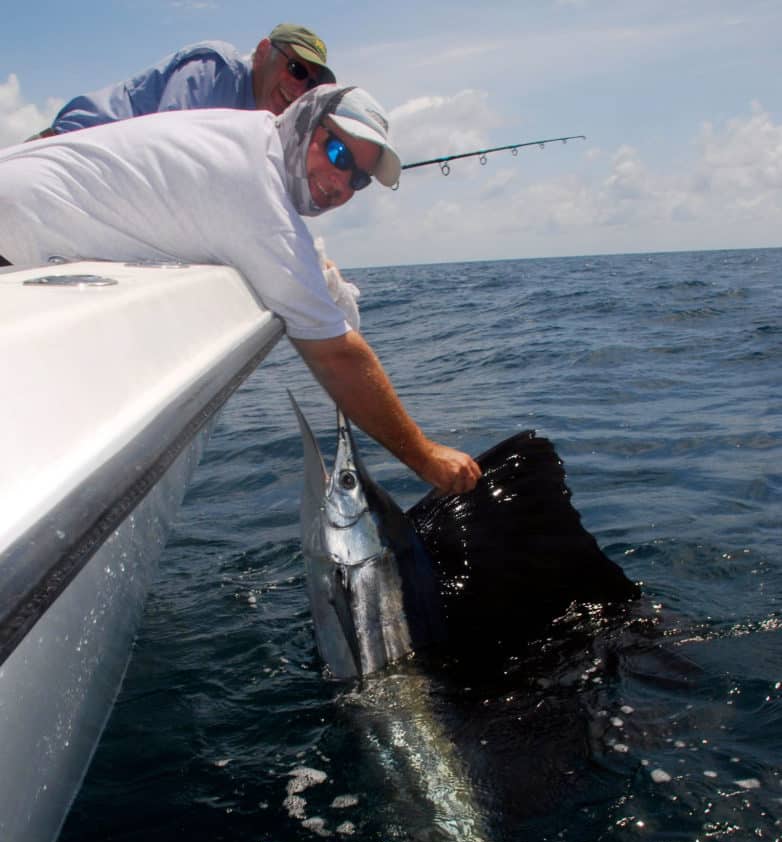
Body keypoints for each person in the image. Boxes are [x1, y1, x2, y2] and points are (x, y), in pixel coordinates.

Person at [0, 86, 481, 495]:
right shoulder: (259, 201)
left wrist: (313, 266)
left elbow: (239, 214)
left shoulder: (247, 139)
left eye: (357, 178)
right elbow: (337, 357)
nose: (339, 183)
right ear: (306, 121)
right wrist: (425, 457)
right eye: (336, 153)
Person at [29, 23, 335, 139]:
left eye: (310, 83)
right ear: (262, 52)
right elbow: (168, 148)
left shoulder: (263, 127)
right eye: (296, 68)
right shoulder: (216, 69)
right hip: (60, 153)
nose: (299, 88)